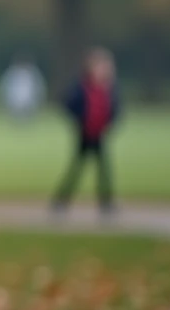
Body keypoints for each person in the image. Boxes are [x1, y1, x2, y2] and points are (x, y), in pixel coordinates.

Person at [51, 47, 121, 214]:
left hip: (99, 134)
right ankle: (61, 200)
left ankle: (106, 203)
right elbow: (68, 104)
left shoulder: (108, 88)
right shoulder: (82, 87)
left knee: (104, 170)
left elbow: (114, 109)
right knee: (77, 168)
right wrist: (80, 120)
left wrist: (110, 123)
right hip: (85, 134)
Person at [0, 55, 46, 123]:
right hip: (15, 100)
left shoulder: (33, 73)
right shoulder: (12, 73)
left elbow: (38, 88)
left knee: (26, 115)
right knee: (18, 115)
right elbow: (7, 87)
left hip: (29, 101)